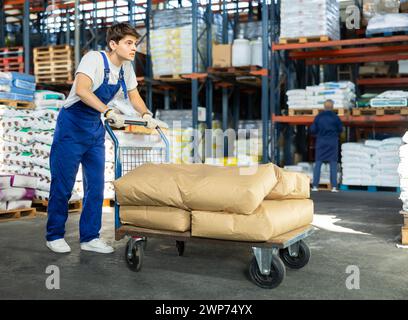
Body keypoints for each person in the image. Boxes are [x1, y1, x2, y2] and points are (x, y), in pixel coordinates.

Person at [46, 23, 162, 254]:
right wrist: (107, 111)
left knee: (96, 186)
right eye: (129, 43)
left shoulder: (125, 68)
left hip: (94, 130)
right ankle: (54, 235)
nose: (133, 49)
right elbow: (82, 89)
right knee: (63, 184)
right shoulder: (94, 59)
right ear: (113, 44)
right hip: (72, 126)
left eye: (135, 44)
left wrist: (147, 114)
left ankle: (90, 237)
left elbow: (134, 96)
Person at [310, 99, 343, 193]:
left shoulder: (318, 117)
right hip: (332, 142)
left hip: (321, 141)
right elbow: (340, 129)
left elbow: (312, 129)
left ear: (324, 107)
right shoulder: (335, 117)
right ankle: (334, 187)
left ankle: (315, 186)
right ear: (332, 107)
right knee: (333, 163)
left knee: (318, 163)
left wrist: (319, 133)